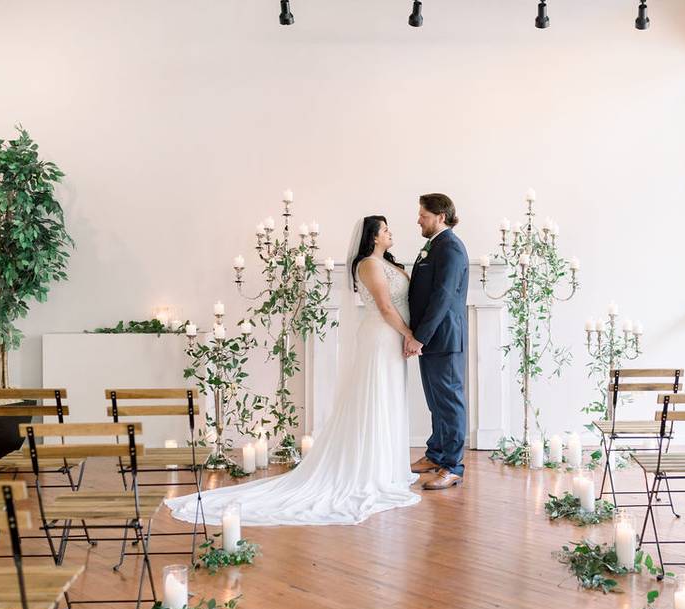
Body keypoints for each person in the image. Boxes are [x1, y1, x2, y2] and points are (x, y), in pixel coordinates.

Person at [165, 215, 420, 525]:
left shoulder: (389, 263)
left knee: (390, 398)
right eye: (385, 229)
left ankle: (388, 467)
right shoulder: (368, 263)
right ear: (373, 237)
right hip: (381, 336)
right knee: (376, 398)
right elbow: (384, 306)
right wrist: (409, 334)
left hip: (392, 336)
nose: (390, 232)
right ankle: (371, 470)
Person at [406, 193, 470, 490]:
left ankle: (453, 466)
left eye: (423, 215)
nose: (419, 219)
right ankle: (435, 455)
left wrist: (420, 336)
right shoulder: (434, 246)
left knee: (449, 402)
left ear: (440, 216)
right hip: (431, 338)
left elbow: (443, 298)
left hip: (443, 337)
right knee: (435, 401)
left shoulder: (451, 248)